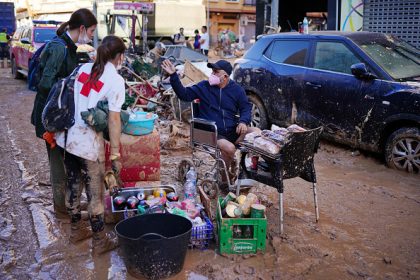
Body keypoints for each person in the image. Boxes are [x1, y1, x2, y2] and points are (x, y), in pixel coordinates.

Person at [54, 35, 126, 255]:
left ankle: (76, 231)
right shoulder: (116, 81)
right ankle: (99, 242)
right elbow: (114, 119)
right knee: (95, 195)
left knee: (74, 186)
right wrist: (115, 153)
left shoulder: (84, 67)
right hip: (87, 144)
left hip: (66, 139)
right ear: (120, 57)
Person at [30, 9, 97, 216]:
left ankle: (67, 203)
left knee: (64, 160)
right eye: (92, 31)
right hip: (51, 117)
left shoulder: (68, 47)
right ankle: (61, 210)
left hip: (58, 116)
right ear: (83, 28)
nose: (93, 36)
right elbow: (45, 84)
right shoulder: (59, 48)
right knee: (58, 164)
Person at [162, 59, 258, 183]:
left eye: (216, 72)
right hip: (211, 132)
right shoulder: (204, 86)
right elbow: (184, 95)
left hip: (231, 129)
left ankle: (247, 168)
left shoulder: (237, 90)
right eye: (212, 71)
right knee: (229, 148)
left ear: (225, 76)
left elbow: (246, 107)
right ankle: (223, 181)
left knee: (256, 132)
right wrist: (173, 76)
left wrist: (243, 121)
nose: (212, 74)